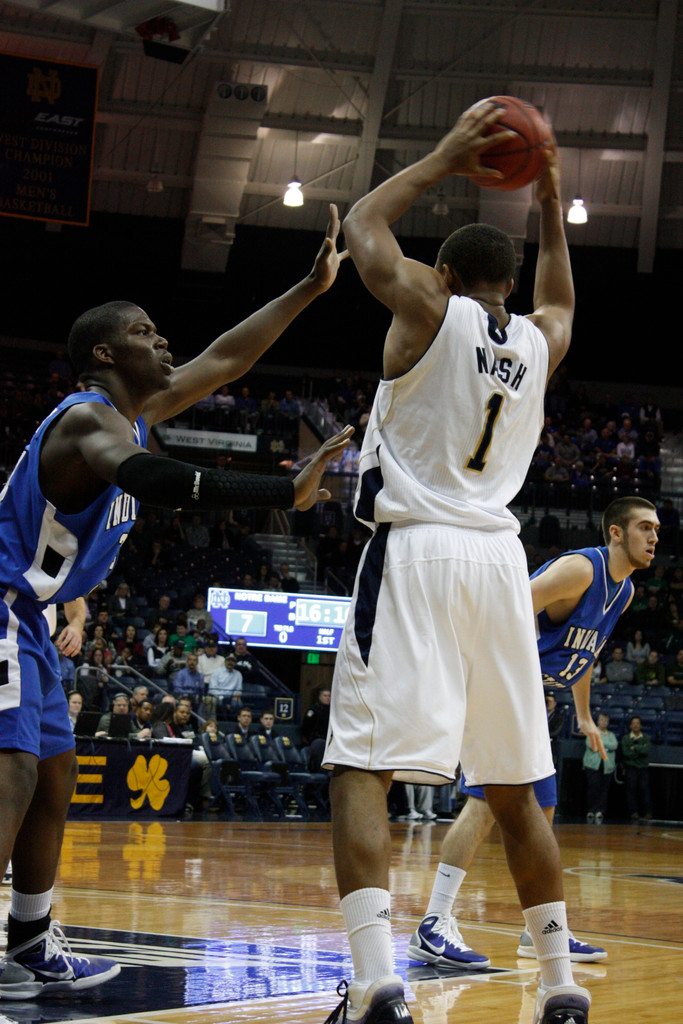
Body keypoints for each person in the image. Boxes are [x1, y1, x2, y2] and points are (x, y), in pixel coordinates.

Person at [0, 209, 351, 1000]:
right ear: (104, 353)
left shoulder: (132, 414)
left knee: (55, 772)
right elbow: (154, 481)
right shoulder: (92, 418)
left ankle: (28, 941)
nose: (163, 343)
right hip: (1, 604)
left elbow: (225, 358)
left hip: (30, 611)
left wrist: (307, 286)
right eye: (145, 332)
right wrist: (282, 491)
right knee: (14, 770)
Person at [321, 101, 589, 1024]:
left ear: (445, 272)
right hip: (497, 563)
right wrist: (548, 196)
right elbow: (559, 298)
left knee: (361, 769)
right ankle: (559, 984)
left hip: (417, 549)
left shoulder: (427, 308)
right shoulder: (536, 341)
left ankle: (375, 981)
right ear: (507, 282)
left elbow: (361, 229)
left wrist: (441, 156)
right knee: (515, 794)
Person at [409, 496, 658, 972]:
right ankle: (433, 924)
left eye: (657, 531)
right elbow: (507, 607)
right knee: (487, 802)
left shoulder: (622, 593)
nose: (653, 538)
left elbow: (584, 655)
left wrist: (584, 716)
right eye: (644, 528)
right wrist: (488, 680)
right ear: (615, 533)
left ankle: (539, 929)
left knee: (539, 808)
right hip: (496, 679)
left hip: (526, 694)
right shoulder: (582, 570)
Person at [583, 712, 618, 824]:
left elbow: (615, 745)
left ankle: (600, 811)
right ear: (597, 721)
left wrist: (601, 744)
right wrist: (605, 746)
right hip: (593, 765)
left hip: (607, 766)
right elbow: (592, 745)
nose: (604, 722)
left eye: (606, 720)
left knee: (604, 789)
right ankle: (591, 810)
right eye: (602, 720)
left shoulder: (611, 735)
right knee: (593, 787)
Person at [620, 716, 652, 822]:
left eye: (637, 723)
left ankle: (647, 812)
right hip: (631, 768)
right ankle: (633, 812)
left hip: (643, 768)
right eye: (633, 723)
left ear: (641, 725)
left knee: (645, 790)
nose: (635, 725)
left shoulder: (646, 738)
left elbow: (646, 752)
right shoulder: (626, 738)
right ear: (630, 726)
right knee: (631, 790)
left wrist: (635, 748)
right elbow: (626, 753)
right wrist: (640, 750)